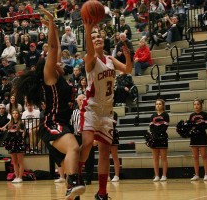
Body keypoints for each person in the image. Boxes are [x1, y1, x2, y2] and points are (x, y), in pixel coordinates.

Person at [14, 6, 85, 200]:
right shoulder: (50, 77)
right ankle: (71, 185)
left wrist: (53, 26)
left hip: (64, 123)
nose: (59, 60)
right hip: (53, 123)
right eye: (55, 61)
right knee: (73, 149)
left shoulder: (61, 79)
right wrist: (52, 24)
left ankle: (73, 189)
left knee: (76, 160)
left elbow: (57, 49)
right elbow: (54, 48)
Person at [78, 14, 132, 200]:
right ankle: (74, 180)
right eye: (94, 38)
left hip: (107, 112)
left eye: (99, 36)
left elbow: (127, 70)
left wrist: (127, 57)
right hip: (91, 108)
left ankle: (102, 193)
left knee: (104, 152)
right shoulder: (90, 59)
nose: (98, 38)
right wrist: (87, 29)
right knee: (86, 144)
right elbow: (89, 50)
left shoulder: (109, 59)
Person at [188, 99, 207, 181]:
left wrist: (197, 127)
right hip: (194, 138)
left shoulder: (205, 114)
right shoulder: (191, 115)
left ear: (201, 105)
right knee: (195, 157)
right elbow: (190, 127)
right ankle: (196, 174)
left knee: (204, 156)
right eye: (195, 104)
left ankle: (206, 174)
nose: (196, 106)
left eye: (198, 104)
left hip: (202, 137)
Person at [148, 99, 169, 182]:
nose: (158, 105)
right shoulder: (152, 115)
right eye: (156, 104)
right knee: (155, 158)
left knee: (163, 158)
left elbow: (164, 127)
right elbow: (151, 127)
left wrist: (158, 134)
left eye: (160, 104)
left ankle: (164, 175)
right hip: (154, 138)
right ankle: (156, 175)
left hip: (162, 137)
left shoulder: (165, 115)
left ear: (163, 105)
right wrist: (154, 135)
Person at [4, 109, 25, 183]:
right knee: (14, 162)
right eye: (13, 113)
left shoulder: (21, 123)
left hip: (19, 143)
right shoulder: (10, 124)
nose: (15, 114)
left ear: (18, 114)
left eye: (16, 113)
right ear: (12, 115)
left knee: (20, 161)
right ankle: (16, 177)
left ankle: (20, 177)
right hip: (12, 144)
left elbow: (22, 135)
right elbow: (8, 135)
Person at [109, 111, 120, 182]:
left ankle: (116, 175)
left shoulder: (114, 113)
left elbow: (113, 124)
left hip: (113, 134)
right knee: (105, 157)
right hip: (104, 133)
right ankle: (107, 175)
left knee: (114, 156)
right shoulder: (101, 112)